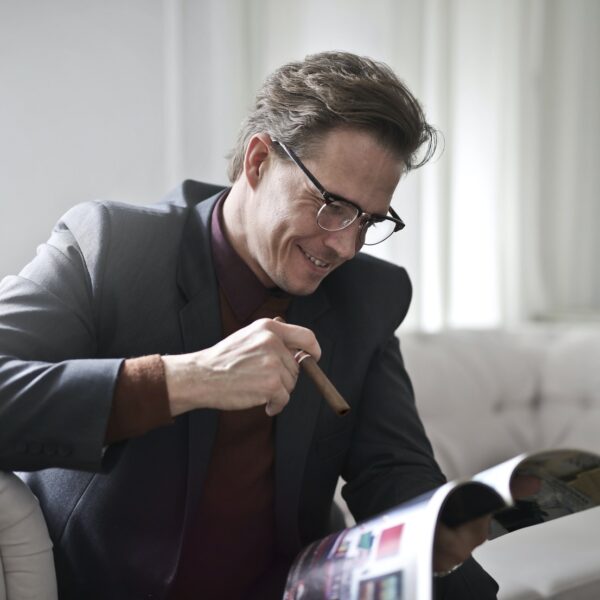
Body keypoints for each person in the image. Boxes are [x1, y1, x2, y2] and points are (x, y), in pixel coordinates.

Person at [0, 51, 498, 599]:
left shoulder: (368, 296)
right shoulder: (109, 245)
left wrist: (445, 546)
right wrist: (184, 380)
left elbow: (392, 472)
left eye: (370, 221)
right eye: (332, 205)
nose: (345, 245)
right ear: (258, 161)